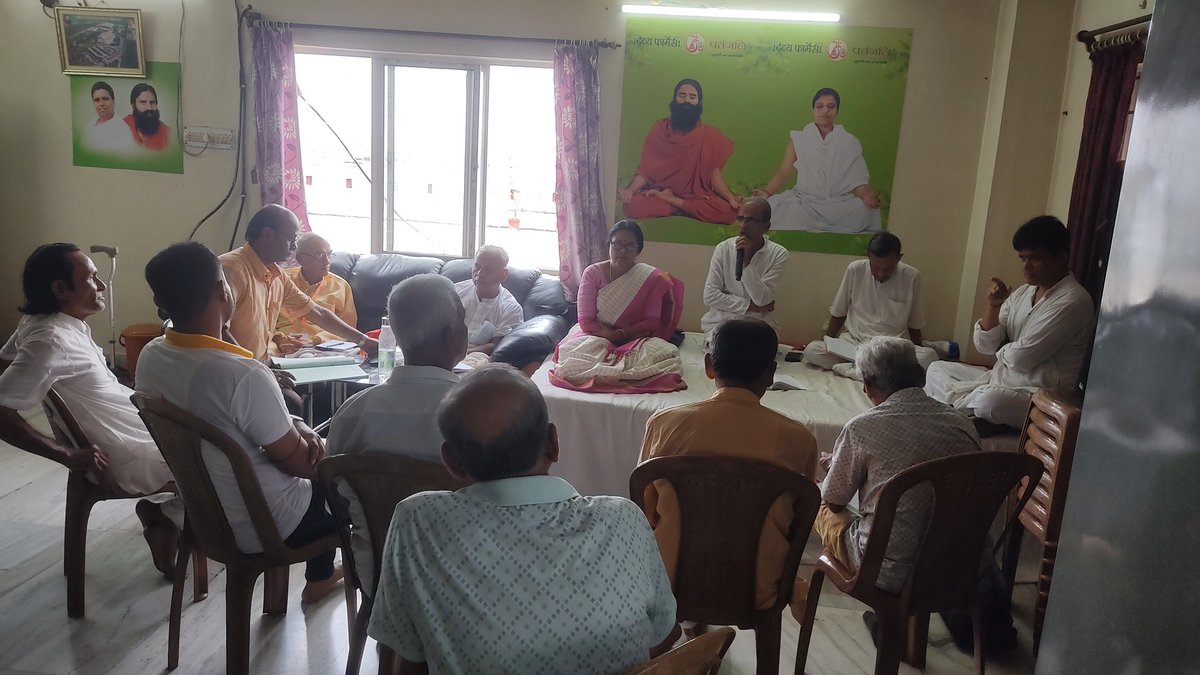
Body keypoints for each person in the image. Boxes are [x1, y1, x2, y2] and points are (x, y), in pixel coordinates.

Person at [368, 365, 678, 674]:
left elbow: (405, 654)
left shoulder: (419, 521)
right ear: (553, 443)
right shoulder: (624, 518)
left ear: (452, 461)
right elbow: (664, 634)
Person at [138, 242, 343, 603]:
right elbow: (302, 465)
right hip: (270, 525)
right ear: (223, 290)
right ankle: (322, 578)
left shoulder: (150, 356)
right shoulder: (240, 375)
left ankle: (315, 579)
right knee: (348, 481)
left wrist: (297, 423)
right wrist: (326, 452)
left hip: (206, 516)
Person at [819, 336, 1016, 654]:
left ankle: (887, 615)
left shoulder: (861, 428)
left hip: (887, 572)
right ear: (920, 376)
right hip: (953, 566)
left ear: (867, 386)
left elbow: (834, 499)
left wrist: (835, 471)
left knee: (823, 503)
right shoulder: (961, 424)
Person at [0, 243, 183, 574]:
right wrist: (64, 453)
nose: (100, 286)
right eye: (91, 278)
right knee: (217, 461)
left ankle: (166, 517)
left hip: (130, 426)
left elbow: (4, 360)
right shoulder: (49, 340)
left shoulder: (42, 322)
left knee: (210, 436)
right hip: (121, 453)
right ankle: (168, 518)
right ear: (60, 289)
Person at [639, 318, 818, 612]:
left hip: (670, 580)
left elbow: (647, 511)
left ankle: (684, 628)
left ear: (709, 366)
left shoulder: (664, 425)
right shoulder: (799, 440)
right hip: (759, 589)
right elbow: (797, 525)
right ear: (770, 374)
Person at [327, 274, 467, 594]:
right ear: (452, 337)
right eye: (462, 319)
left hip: (377, 576)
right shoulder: (480, 415)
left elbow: (335, 503)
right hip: (463, 582)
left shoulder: (352, 413)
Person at [925, 216, 1094, 429]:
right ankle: (963, 410)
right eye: (1022, 259)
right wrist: (993, 307)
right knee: (936, 368)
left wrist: (1003, 346)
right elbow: (985, 346)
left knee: (990, 400)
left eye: (1035, 258)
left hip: (1038, 395)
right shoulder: (1023, 293)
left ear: (1061, 256)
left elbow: (1021, 359)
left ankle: (958, 409)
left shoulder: (1072, 301)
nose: (1026, 266)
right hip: (999, 379)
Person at [220, 204, 377, 362]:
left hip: (261, 366)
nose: (294, 246)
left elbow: (317, 312)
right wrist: (250, 367)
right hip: (234, 368)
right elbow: (218, 330)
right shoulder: (231, 269)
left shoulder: (277, 276)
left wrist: (364, 342)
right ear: (268, 235)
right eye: (291, 239)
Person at [550, 220, 685, 393]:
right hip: (596, 334)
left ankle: (611, 373)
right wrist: (609, 335)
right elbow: (585, 321)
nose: (622, 250)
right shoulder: (592, 273)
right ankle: (623, 374)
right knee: (571, 357)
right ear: (609, 245)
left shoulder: (649, 277)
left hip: (634, 337)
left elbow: (651, 322)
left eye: (630, 245)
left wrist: (622, 334)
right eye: (618, 244)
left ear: (638, 250)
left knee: (668, 355)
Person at [804, 233, 937, 378]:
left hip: (891, 349)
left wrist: (916, 350)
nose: (881, 273)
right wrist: (829, 341)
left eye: (887, 269)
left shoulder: (912, 276)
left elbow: (914, 322)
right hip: (854, 344)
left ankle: (855, 370)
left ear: (898, 258)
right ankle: (876, 373)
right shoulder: (855, 269)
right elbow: (839, 310)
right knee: (812, 350)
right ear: (868, 256)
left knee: (928, 357)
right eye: (876, 267)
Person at [756, 88, 881, 233]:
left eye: (830, 106)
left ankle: (818, 223)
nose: (825, 111)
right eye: (820, 106)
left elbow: (857, 181)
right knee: (774, 208)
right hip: (805, 203)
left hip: (837, 204)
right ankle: (813, 222)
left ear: (837, 111)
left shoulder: (849, 141)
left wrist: (866, 196)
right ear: (813, 110)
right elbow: (783, 173)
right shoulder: (799, 139)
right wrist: (765, 193)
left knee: (865, 210)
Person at [619, 79, 740, 225]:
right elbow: (646, 170)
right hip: (661, 190)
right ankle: (685, 208)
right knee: (632, 207)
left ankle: (672, 202)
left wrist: (730, 197)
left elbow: (713, 174)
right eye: (682, 95)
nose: (686, 100)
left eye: (692, 97)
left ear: (699, 102)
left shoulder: (709, 135)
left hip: (693, 196)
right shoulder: (660, 129)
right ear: (674, 99)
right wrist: (631, 191)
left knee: (727, 211)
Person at [700, 197, 790, 341]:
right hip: (721, 324)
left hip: (759, 326)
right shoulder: (723, 248)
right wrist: (751, 307)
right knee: (726, 347)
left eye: (751, 220)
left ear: (766, 226)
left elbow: (762, 300)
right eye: (740, 218)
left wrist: (747, 264)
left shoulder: (779, 254)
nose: (743, 226)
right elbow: (710, 296)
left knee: (757, 350)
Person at [272, 232, 358, 351]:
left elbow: (348, 327)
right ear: (301, 259)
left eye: (329, 254)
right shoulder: (280, 280)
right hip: (279, 345)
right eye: (319, 255)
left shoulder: (341, 286)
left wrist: (316, 340)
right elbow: (263, 319)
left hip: (321, 348)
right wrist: (279, 339)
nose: (327, 261)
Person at [453, 245, 523, 356]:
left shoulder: (511, 308)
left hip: (476, 357)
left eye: (488, 270)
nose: (479, 274)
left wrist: (461, 354)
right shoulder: (455, 291)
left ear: (503, 274)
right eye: (477, 267)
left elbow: (496, 346)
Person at [82, 81, 131, 152]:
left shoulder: (122, 129)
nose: (101, 103)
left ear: (113, 101)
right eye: (97, 100)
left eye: (105, 99)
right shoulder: (91, 125)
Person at [122, 83, 171, 151]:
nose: (149, 108)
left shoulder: (167, 133)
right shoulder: (122, 127)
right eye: (143, 102)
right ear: (133, 106)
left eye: (152, 102)